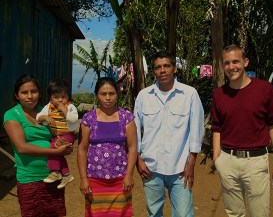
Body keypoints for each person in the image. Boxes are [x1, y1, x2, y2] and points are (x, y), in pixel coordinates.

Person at [211, 45, 273, 217]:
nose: (231, 67)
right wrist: (216, 157)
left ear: (245, 62)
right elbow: (216, 127)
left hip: (256, 162)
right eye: (226, 63)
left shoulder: (264, 89)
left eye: (235, 61)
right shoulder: (219, 94)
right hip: (227, 160)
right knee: (234, 213)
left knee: (260, 213)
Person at [134, 51, 205, 217]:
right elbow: (135, 129)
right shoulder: (144, 96)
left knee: (183, 214)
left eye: (166, 66)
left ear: (174, 69)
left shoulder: (189, 94)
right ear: (153, 72)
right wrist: (138, 159)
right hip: (151, 168)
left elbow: (197, 130)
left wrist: (191, 163)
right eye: (158, 67)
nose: (162, 70)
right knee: (154, 212)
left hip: (180, 168)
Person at [3, 74, 73, 217]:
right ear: (17, 95)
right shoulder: (12, 115)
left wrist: (64, 145)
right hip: (30, 180)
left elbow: (59, 133)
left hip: (54, 178)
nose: (30, 96)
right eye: (24, 92)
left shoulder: (46, 111)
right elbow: (22, 147)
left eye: (33, 91)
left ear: (39, 93)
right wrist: (55, 152)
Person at [77, 77, 137, 217]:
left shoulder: (127, 118)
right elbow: (82, 149)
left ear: (117, 94)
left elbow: (133, 148)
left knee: (120, 213)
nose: (108, 98)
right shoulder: (88, 118)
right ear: (97, 95)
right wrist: (84, 178)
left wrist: (129, 176)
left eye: (112, 93)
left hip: (120, 180)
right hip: (94, 180)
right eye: (103, 94)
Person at [36, 79, 79, 189]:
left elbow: (74, 119)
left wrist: (64, 110)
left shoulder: (70, 107)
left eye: (63, 97)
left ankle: (55, 172)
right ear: (50, 97)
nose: (60, 100)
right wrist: (45, 117)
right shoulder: (49, 107)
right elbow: (38, 117)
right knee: (58, 153)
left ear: (68, 97)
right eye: (56, 97)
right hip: (56, 135)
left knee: (53, 149)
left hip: (67, 135)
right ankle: (66, 174)